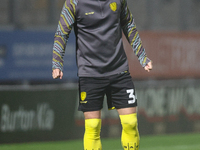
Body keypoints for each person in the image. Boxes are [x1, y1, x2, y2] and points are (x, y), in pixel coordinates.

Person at [52, 0, 152, 149]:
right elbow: (62, 33)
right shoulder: (74, 2)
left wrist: (142, 56)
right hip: (90, 73)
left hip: (119, 70)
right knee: (92, 127)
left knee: (130, 123)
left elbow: (129, 24)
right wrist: (57, 62)